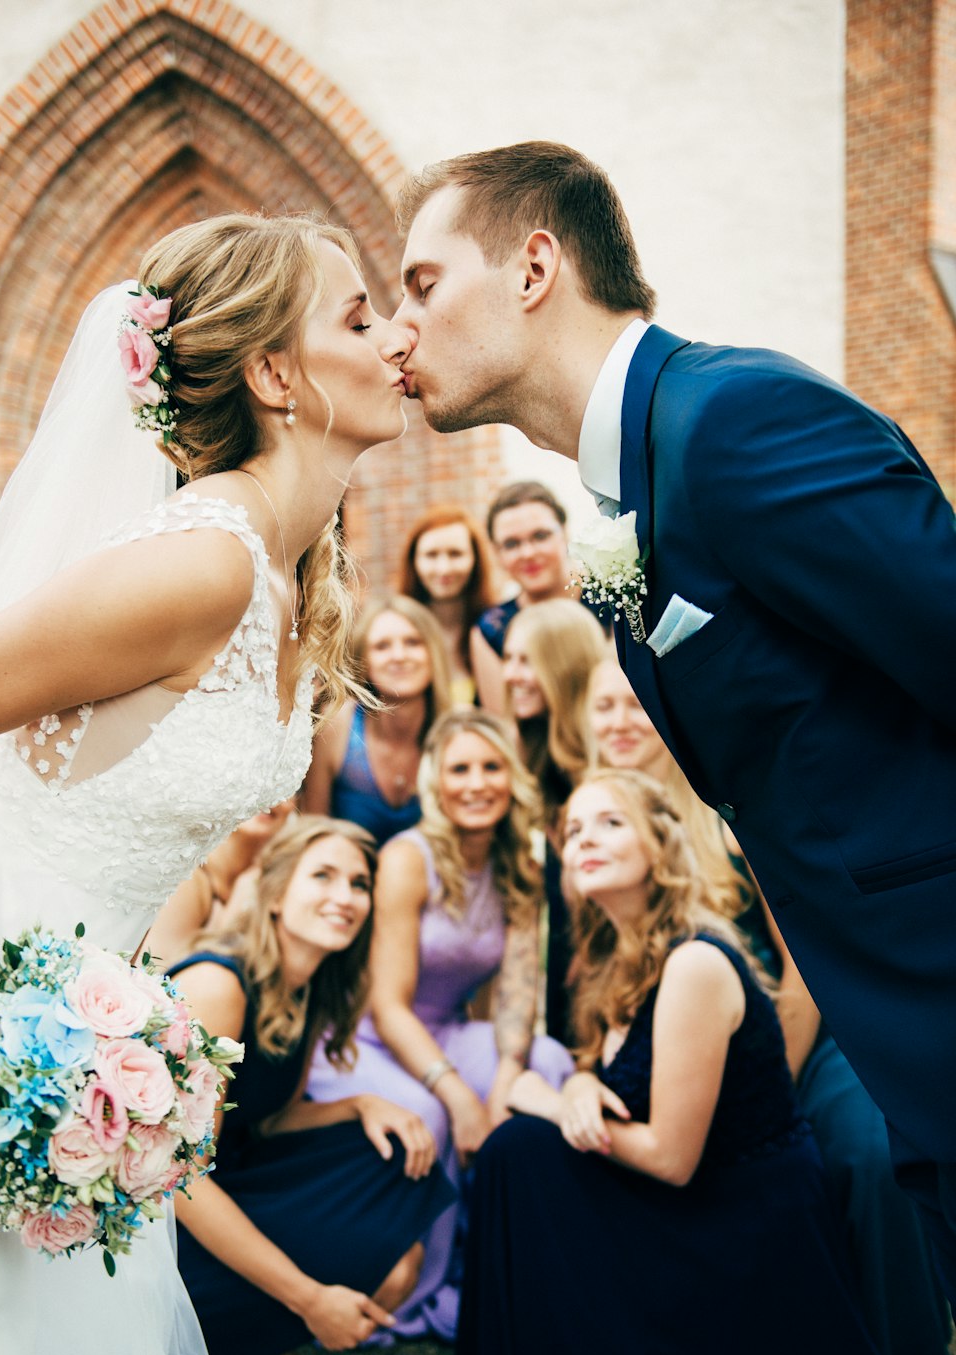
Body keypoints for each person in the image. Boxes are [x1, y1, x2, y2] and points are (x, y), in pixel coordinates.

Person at [393, 140, 956, 1296]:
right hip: (895, 1017)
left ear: (534, 265)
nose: (401, 333)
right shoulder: (632, 483)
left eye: (422, 284)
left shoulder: (731, 421)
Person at [0, 209, 412, 1355]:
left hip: (74, 1032)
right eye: (360, 318)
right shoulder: (195, 566)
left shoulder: (280, 571)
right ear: (276, 375)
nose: (396, 341)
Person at [456, 769, 956, 1355]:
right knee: (517, 1156)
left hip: (742, 1231)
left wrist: (542, 1098)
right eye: (575, 831)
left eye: (610, 824)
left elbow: (668, 1158)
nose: (585, 840)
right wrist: (577, 1085)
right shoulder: (615, 956)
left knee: (519, 1152)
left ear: (660, 845)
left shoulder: (693, 961)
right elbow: (614, 1085)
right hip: (694, 1201)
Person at [587, 651, 956, 1355]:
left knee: (866, 1156)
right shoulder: (582, 823)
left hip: (802, 1037)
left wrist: (768, 1089)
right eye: (602, 707)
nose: (621, 721)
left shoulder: (732, 811)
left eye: (632, 703)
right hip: (664, 1063)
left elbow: (796, 968)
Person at [171, 817, 453, 1355]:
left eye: (358, 883)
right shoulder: (220, 984)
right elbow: (183, 1178)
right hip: (169, 1212)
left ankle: (249, 1345)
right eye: (322, 875)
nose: (344, 896)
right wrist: (312, 1297)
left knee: (396, 1177)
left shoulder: (310, 987)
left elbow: (266, 1119)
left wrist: (359, 1105)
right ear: (274, 893)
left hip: (236, 1169)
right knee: (376, 1242)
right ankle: (236, 1337)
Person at [305, 707, 573, 1339]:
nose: (476, 783)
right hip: (364, 1038)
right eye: (459, 769)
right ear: (436, 781)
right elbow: (388, 1004)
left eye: (490, 767)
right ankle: (421, 1286)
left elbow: (516, 994)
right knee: (428, 1113)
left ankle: (514, 1258)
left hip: (446, 1031)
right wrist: (459, 1096)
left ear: (512, 778)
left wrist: (506, 1080)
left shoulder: (520, 865)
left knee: (549, 1062)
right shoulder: (407, 857)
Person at [503, 598, 605, 1043]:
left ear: (563, 665)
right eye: (508, 659)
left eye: (527, 661)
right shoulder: (533, 755)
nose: (510, 676)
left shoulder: (608, 761)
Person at [301, 593, 451, 845]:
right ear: (364, 661)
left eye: (413, 642)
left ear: (433, 653)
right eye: (382, 646)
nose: (399, 655)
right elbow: (313, 830)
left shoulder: (455, 732)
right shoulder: (338, 723)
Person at [472, 480, 597, 711]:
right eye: (511, 544)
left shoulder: (611, 600)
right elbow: (504, 727)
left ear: (565, 533)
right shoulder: (490, 630)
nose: (528, 553)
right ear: (496, 553)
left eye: (540, 536)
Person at [145, 800, 295, 970]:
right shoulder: (189, 881)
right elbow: (155, 974)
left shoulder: (276, 884)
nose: (272, 799)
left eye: (289, 790)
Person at [396, 503, 494, 704]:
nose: (443, 568)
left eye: (455, 554)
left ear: (475, 559)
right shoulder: (395, 634)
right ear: (414, 561)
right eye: (431, 555)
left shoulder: (494, 629)